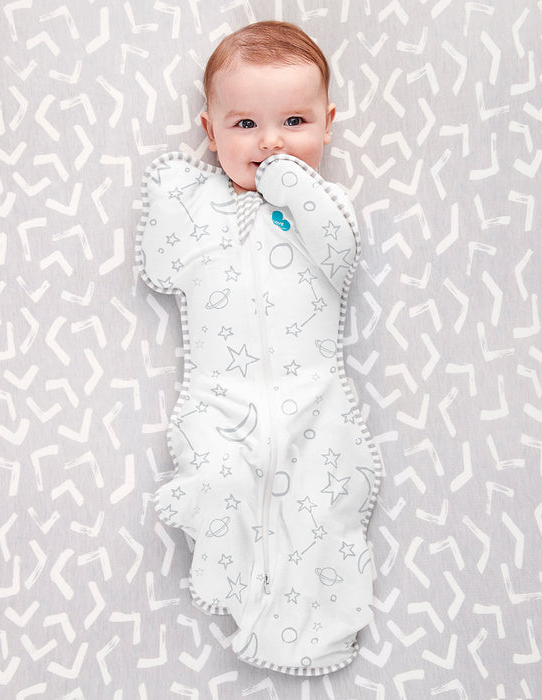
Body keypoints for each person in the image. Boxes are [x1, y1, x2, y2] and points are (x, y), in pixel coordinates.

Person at [136, 20, 382, 675]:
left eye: (294, 122)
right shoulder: (202, 207)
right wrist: (173, 197)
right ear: (210, 132)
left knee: (320, 510)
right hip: (222, 399)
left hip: (313, 401)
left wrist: (293, 184)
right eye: (245, 124)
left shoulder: (324, 208)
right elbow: (160, 268)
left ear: (328, 125)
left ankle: (314, 630)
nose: (271, 141)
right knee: (221, 479)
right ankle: (230, 569)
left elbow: (341, 254)